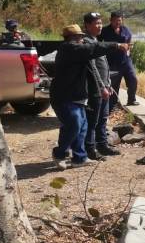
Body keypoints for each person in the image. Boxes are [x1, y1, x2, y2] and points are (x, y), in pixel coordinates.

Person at [51, 24, 128, 170]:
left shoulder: (78, 51)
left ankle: (79, 158)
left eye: (81, 37)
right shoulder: (70, 49)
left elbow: (93, 67)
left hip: (77, 96)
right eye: (79, 37)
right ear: (72, 38)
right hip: (64, 96)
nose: (81, 39)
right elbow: (93, 48)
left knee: (82, 126)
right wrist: (116, 45)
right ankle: (59, 153)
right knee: (74, 125)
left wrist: (104, 85)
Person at [82, 12, 121, 160]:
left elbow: (103, 65)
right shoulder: (87, 43)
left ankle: (102, 145)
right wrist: (101, 87)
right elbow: (92, 68)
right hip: (94, 89)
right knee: (93, 120)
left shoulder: (96, 40)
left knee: (103, 118)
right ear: (87, 25)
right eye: (95, 23)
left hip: (104, 86)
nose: (99, 26)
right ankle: (90, 149)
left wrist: (109, 83)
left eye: (100, 23)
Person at [99, 11, 136, 111]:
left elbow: (129, 40)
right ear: (110, 20)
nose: (117, 23)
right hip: (112, 62)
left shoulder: (125, 29)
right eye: (115, 21)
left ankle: (131, 99)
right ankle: (112, 105)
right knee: (114, 84)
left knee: (133, 79)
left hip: (125, 60)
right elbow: (98, 44)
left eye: (119, 20)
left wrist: (128, 47)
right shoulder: (104, 31)